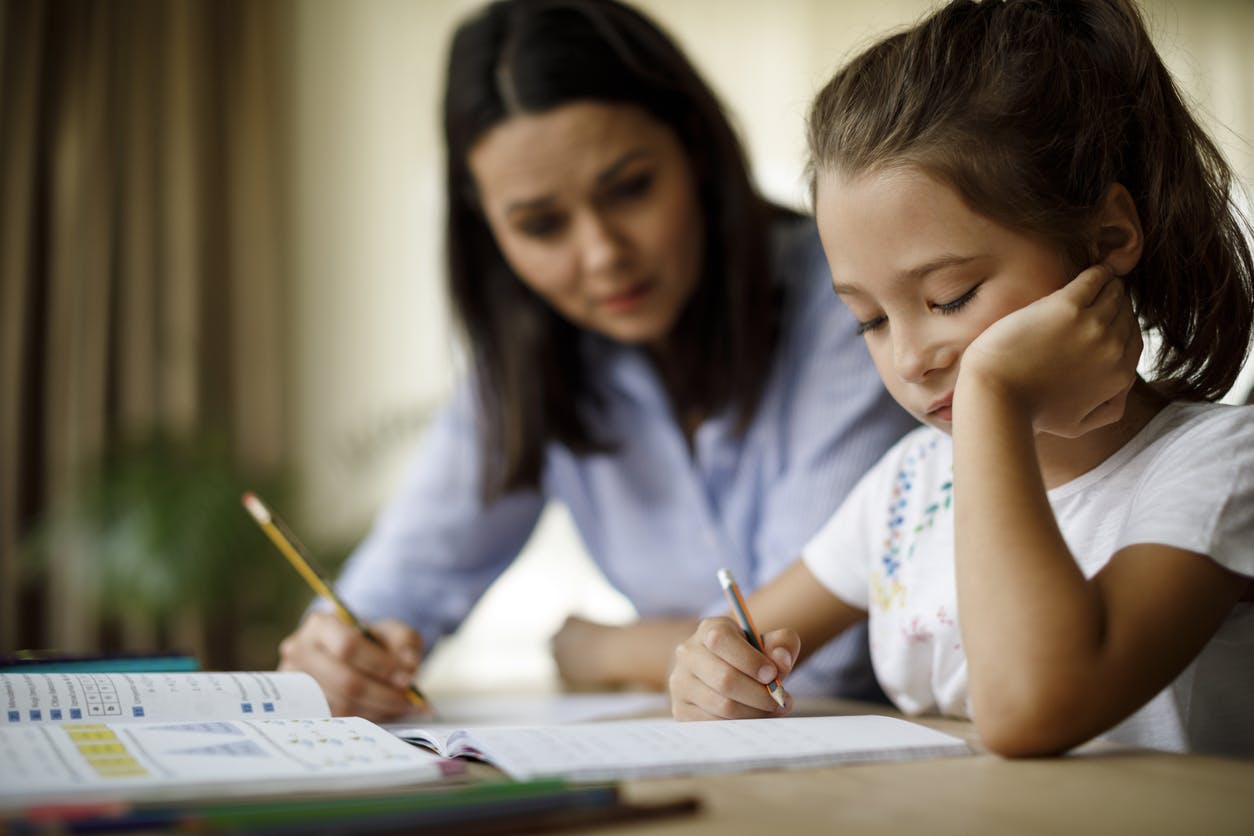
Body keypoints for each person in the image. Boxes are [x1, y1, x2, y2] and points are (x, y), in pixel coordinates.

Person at [277, 0, 916, 720]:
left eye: (630, 189)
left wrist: (601, 650)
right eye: (542, 226)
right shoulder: (530, 363)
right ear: (489, 231)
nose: (603, 255)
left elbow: (814, 657)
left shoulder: (849, 305)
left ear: (696, 150)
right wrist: (337, 654)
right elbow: (390, 594)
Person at [668, 0, 1254, 759]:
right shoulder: (907, 491)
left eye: (949, 298)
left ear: (1108, 240)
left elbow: (1029, 709)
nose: (910, 358)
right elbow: (740, 641)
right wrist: (712, 670)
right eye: (870, 321)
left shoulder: (1218, 467)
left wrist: (994, 396)